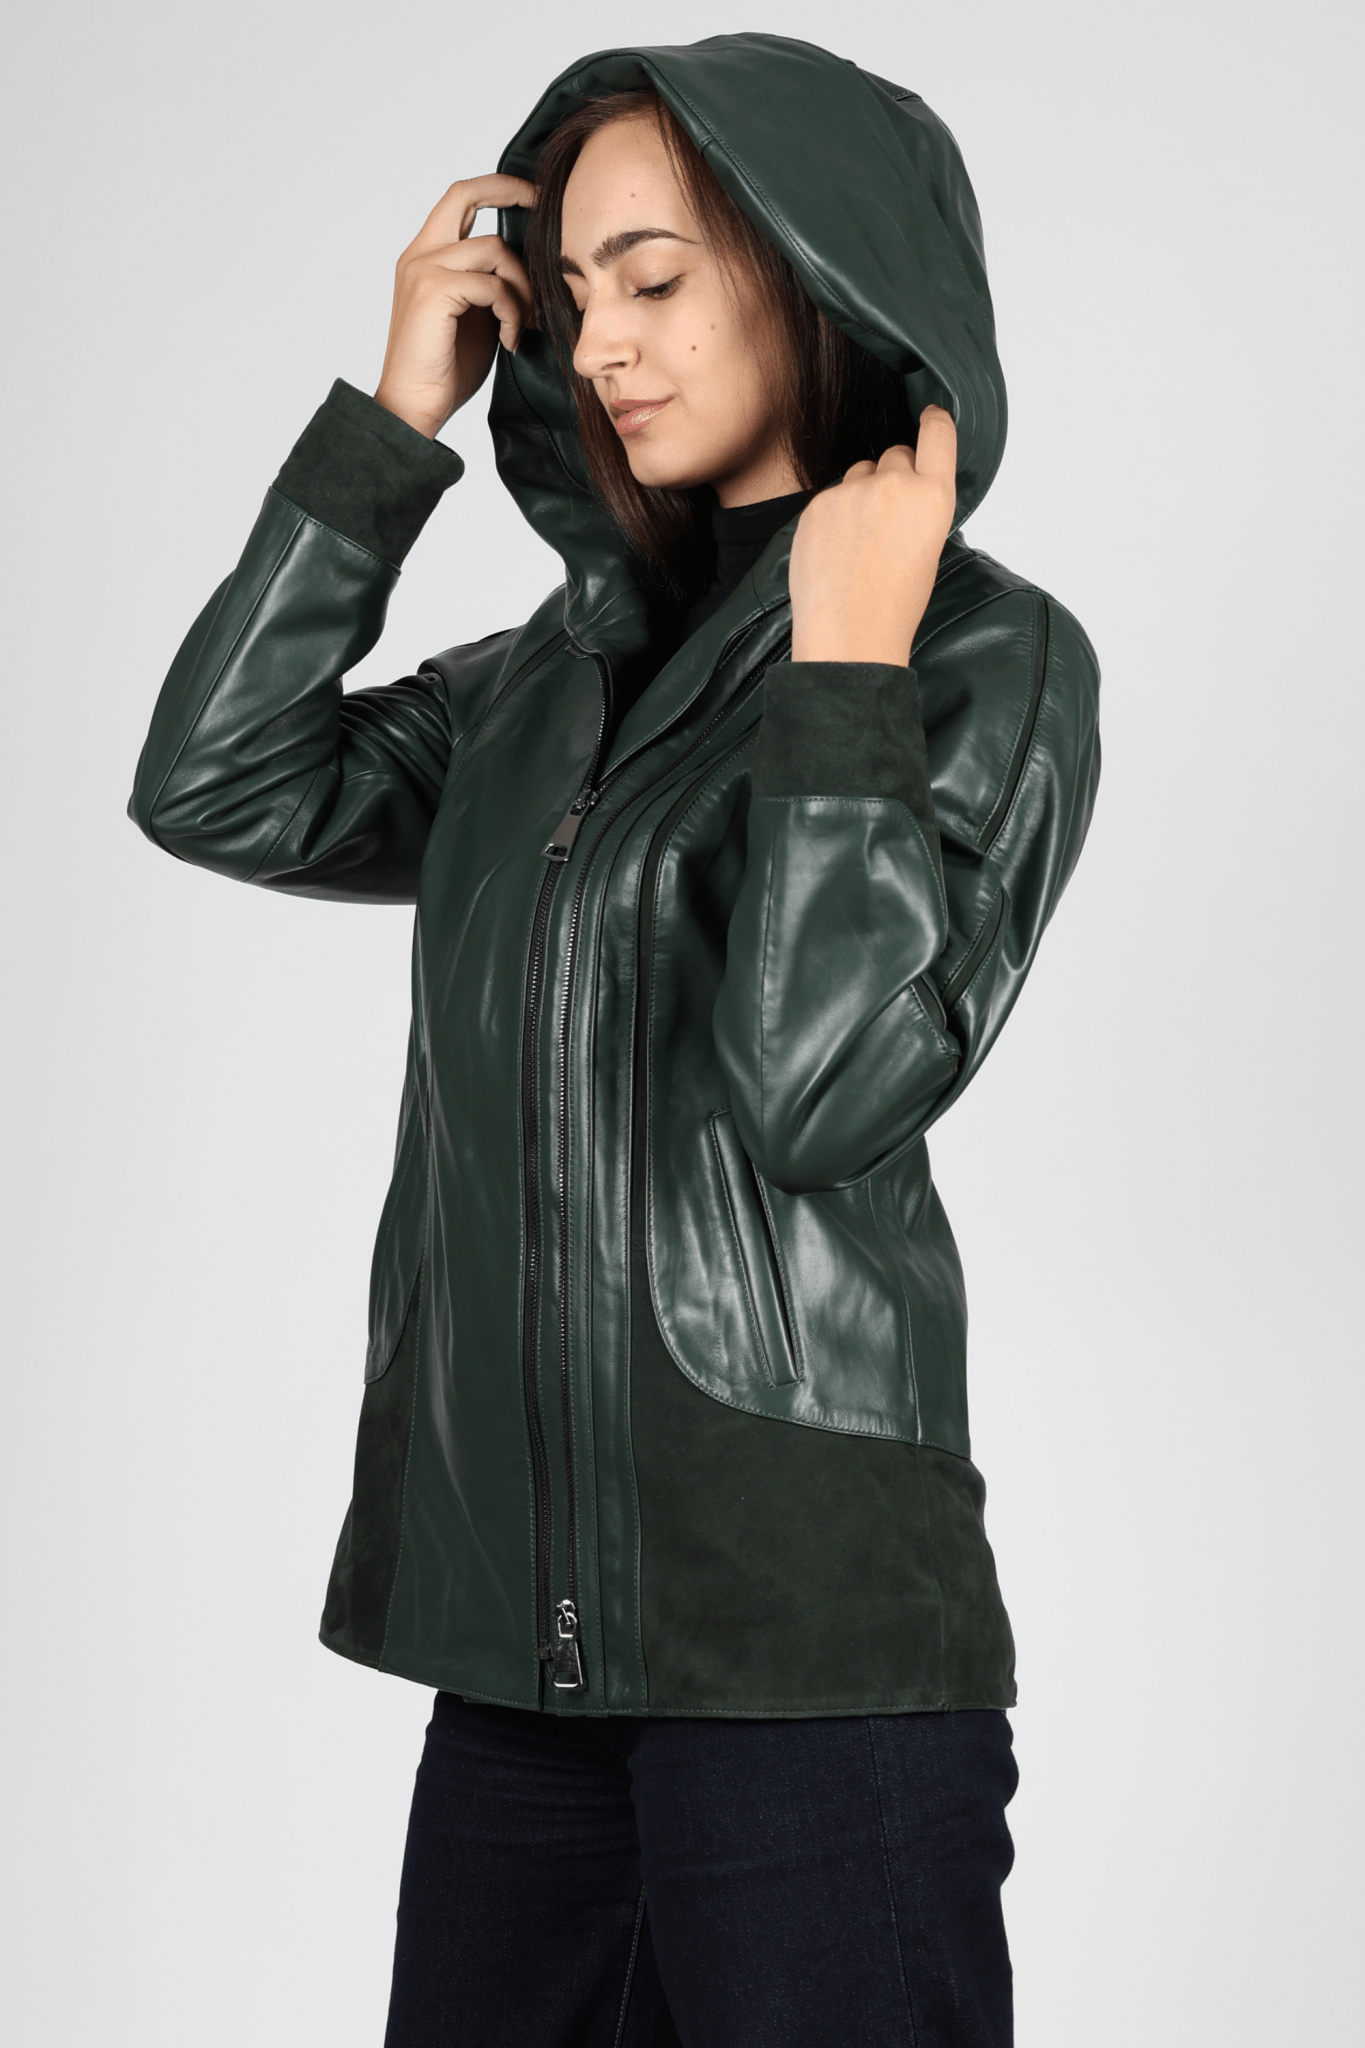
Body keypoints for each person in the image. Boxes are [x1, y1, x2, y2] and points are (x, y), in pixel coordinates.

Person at [130, 32, 1099, 2048]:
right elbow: (218, 785)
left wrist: (844, 662)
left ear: (819, 273)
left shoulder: (979, 655)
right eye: (573, 294)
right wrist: (387, 432)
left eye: (654, 277)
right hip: (525, 1667)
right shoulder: (532, 687)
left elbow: (824, 1087)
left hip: (814, 1671)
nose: (604, 342)